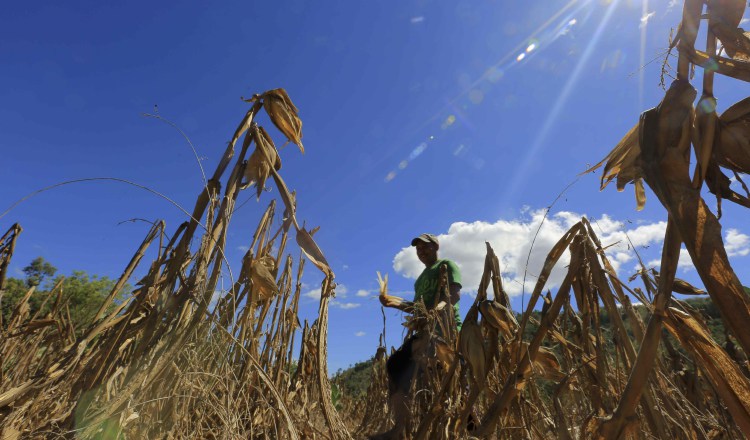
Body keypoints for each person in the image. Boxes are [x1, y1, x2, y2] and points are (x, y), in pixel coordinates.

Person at [370, 233, 462, 440]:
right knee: (396, 367)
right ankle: (402, 428)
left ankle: (460, 428)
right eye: (418, 249)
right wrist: (394, 303)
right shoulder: (420, 280)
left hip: (445, 330)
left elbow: (454, 295)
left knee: (443, 382)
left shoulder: (447, 265)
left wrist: (436, 312)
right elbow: (418, 309)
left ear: (436, 246)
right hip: (425, 331)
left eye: (425, 247)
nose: (421, 251)